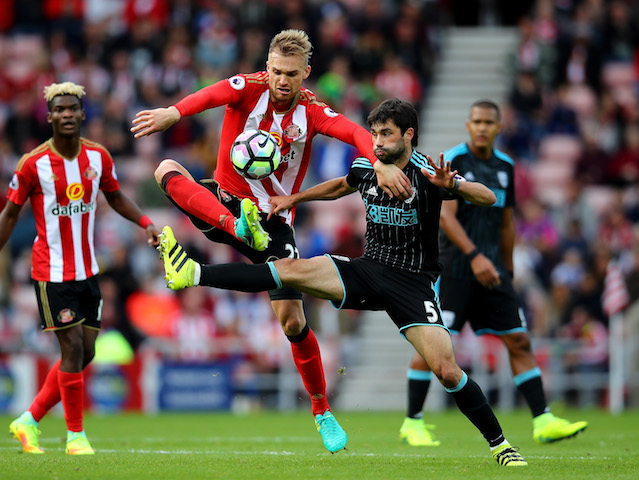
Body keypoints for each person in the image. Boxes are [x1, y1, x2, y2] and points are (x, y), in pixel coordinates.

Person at [158, 98, 528, 466]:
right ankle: (194, 273)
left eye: (386, 134)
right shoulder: (368, 165)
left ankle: (501, 445)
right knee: (290, 268)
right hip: (367, 270)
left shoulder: (428, 171)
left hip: (412, 283)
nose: (377, 142)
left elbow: (489, 196)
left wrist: (456, 187)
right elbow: (340, 186)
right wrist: (293, 198)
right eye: (374, 134)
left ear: (408, 135)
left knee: (447, 371)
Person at [130, 29, 411, 452]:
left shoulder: (313, 111)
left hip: (273, 221)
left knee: (294, 322)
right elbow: (209, 96)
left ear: (305, 74)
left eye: (291, 74)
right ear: (268, 67)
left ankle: (322, 411)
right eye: (276, 71)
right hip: (225, 206)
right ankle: (236, 226)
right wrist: (173, 111)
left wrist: (378, 162)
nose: (281, 80)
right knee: (166, 167)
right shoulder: (248, 87)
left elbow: (355, 132)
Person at [398, 100, 587, 448]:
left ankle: (543, 420)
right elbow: (446, 217)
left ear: (499, 127)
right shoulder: (452, 161)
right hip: (455, 269)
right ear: (468, 126)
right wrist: (474, 257)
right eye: (477, 121)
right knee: (434, 346)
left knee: (518, 339)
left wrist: (508, 268)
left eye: (489, 122)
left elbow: (506, 222)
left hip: (493, 272)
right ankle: (413, 421)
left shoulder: (505, 167)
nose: (482, 127)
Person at [1, 82, 160, 455]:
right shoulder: (32, 164)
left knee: (86, 353)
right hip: (51, 272)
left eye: (73, 108)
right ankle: (75, 437)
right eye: (60, 110)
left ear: (83, 114)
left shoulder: (98, 158)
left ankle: (28, 421)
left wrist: (146, 223)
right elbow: (10, 215)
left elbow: (117, 196)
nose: (67, 114)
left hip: (88, 271)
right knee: (71, 350)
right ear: (50, 116)